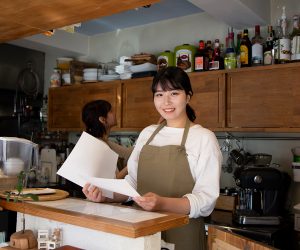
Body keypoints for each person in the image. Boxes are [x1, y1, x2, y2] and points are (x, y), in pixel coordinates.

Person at [83, 66, 222, 250]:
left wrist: (162, 203)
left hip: (182, 236)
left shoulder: (204, 138)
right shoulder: (147, 134)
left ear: (188, 96)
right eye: (159, 95)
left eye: (174, 93)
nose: (166, 102)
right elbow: (133, 183)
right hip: (143, 234)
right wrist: (105, 197)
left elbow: (206, 200)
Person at [81, 99, 132, 179]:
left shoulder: (102, 141)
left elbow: (128, 153)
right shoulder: (100, 146)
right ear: (103, 120)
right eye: (111, 111)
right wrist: (132, 165)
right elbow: (113, 180)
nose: (115, 113)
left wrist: (153, 131)